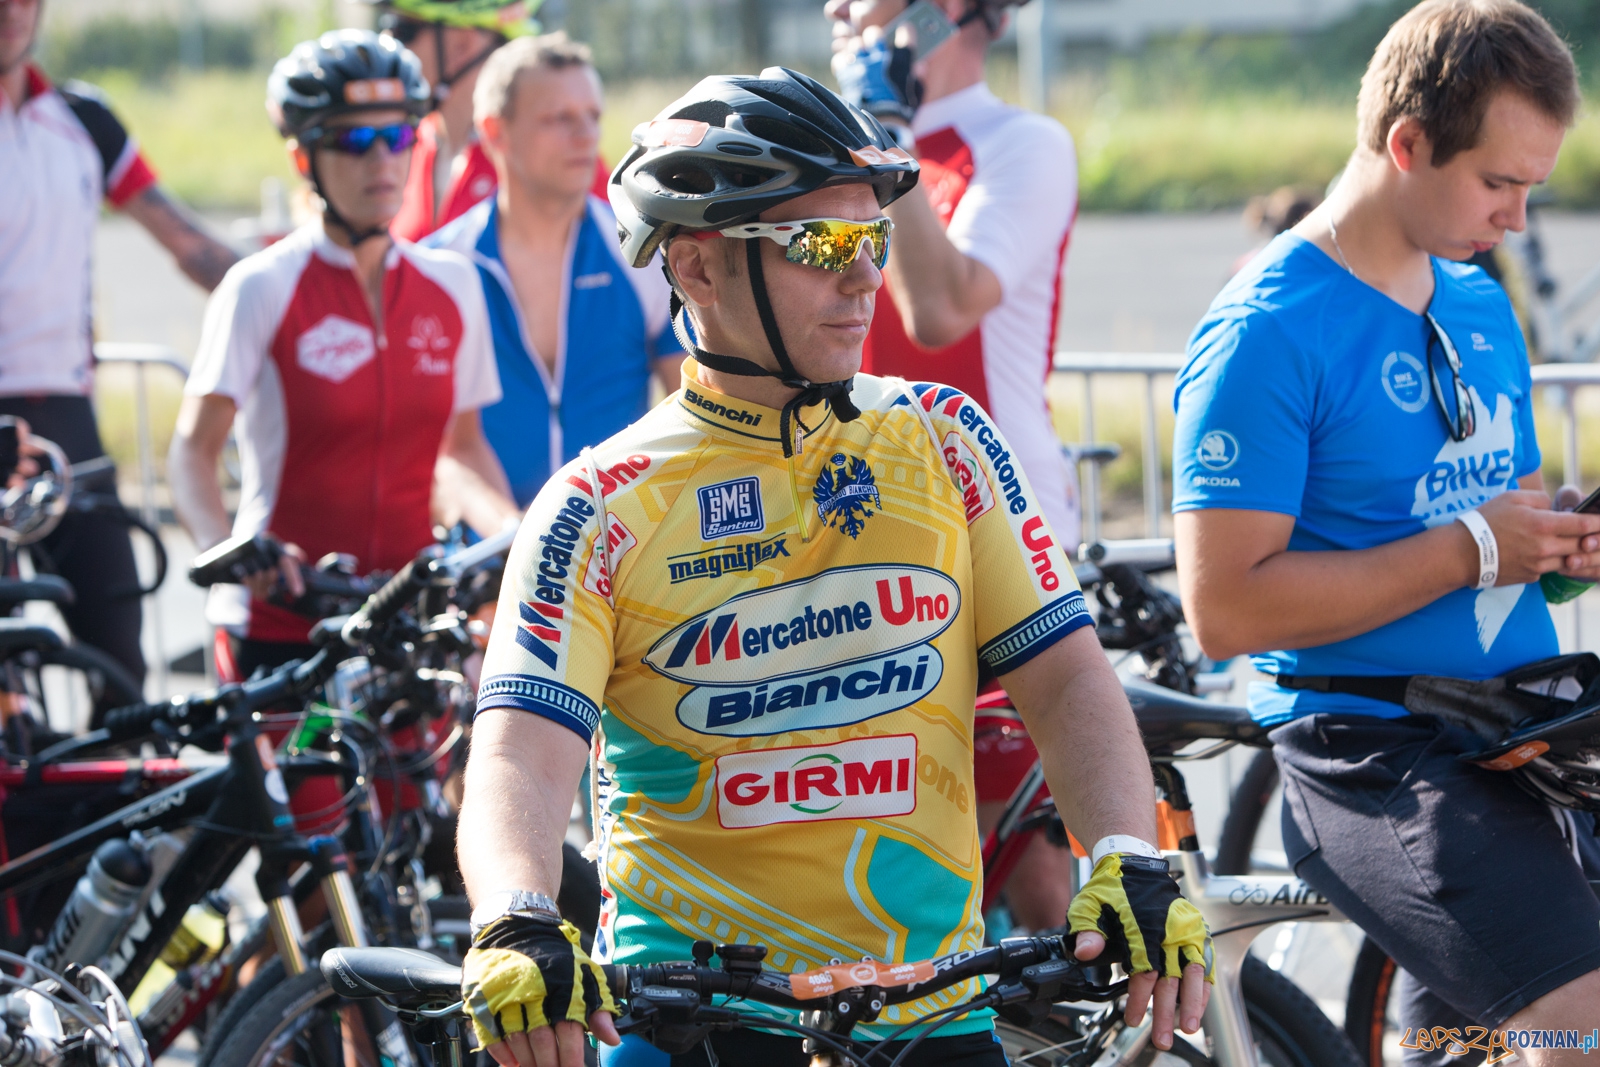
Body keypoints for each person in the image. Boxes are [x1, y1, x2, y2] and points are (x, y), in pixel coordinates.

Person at [455, 68, 1211, 1067]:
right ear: (697, 265)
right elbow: (518, 748)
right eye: (825, 244)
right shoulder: (601, 504)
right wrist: (515, 910)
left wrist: (1123, 849)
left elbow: (1065, 672)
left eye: (876, 239)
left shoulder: (944, 442)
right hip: (699, 1024)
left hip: (932, 1015)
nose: (865, 278)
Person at [1171, 2, 1600, 1060]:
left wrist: (1557, 548)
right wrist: (1475, 546)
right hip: (1370, 747)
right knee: (1581, 1019)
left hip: (1514, 725)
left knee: (1460, 1043)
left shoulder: (1474, 298)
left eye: (1532, 189)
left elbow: (1511, 517)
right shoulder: (1265, 329)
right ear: (1405, 144)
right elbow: (1222, 608)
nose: (1516, 217)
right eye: (1498, 183)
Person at [826, 0, 1081, 932]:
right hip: (861, 537)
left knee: (1033, 886)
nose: (839, 10)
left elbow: (940, 308)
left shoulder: (1023, 144)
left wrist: (884, 145)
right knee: (882, 866)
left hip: (998, 540)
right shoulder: (844, 137)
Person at [167, 30, 521, 678]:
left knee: (428, 784)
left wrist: (515, 533)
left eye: (398, 137)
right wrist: (227, 552)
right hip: (284, 626)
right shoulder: (262, 286)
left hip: (408, 619)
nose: (382, 161)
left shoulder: (454, 285)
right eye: (355, 140)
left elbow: (460, 450)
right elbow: (192, 451)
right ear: (304, 159)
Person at [1, 0, 240, 696]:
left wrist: (290, 295)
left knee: (119, 649)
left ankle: (111, 798)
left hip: (66, 417)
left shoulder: (83, 122)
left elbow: (187, 244)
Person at [426, 33, 682, 508]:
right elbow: (435, 450)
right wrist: (515, 543)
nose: (586, 136)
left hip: (619, 548)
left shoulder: (642, 255)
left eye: (592, 117)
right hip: (487, 554)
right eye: (559, 118)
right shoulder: (441, 267)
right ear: (495, 131)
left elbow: (690, 412)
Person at [368, 0, 608, 242]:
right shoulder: (403, 144)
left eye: (401, 31)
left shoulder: (544, 153)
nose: (388, 46)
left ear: (461, 43)